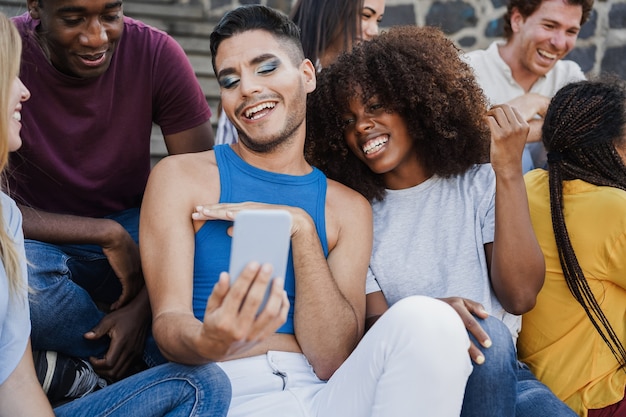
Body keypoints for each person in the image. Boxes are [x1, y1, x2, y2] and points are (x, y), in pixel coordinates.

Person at [140, 5, 473, 417]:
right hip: (222, 389)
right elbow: (169, 324)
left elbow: (332, 358)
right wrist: (211, 340)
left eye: (265, 68)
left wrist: (299, 230)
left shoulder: (346, 207)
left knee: (430, 320)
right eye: (230, 80)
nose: (247, 88)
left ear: (307, 75)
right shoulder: (180, 177)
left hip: (322, 394)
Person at [305, 25, 577, 417]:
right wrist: (433, 317)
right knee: (490, 337)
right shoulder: (355, 213)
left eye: (377, 106)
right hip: (416, 381)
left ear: (416, 104)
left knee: (497, 347)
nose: (362, 125)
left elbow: (520, 296)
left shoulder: (479, 181)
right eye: (348, 120)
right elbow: (374, 329)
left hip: (503, 377)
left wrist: (508, 171)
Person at [0, 11, 231, 417]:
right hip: (42, 246)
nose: (95, 37)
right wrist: (103, 232)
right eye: (73, 18)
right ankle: (120, 366)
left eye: (110, 15)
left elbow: (200, 191)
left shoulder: (156, 53)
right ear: (37, 6)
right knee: (22, 273)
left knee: (197, 256)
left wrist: (142, 310)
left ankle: (106, 362)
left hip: (137, 239)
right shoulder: (9, 48)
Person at [518, 77, 626, 417]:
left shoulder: (528, 185)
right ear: (610, 148)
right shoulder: (614, 208)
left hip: (537, 385)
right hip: (596, 395)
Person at [214, 0, 385, 145]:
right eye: (365, 15)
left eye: (378, 20)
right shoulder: (256, 88)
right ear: (332, 10)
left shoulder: (368, 85)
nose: (374, 31)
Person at [463, 0, 594, 173]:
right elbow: (462, 142)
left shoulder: (569, 75)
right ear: (517, 20)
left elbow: (594, 131)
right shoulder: (466, 71)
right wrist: (558, 126)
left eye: (571, 31)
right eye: (549, 26)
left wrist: (537, 103)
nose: (560, 43)